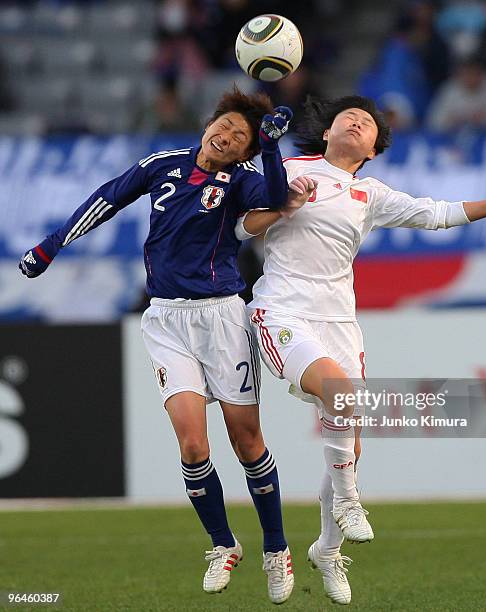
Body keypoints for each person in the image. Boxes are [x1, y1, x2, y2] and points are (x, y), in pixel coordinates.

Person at [235, 95, 486, 604]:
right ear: (328, 129)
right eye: (349, 116)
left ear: (374, 150)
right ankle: (350, 501)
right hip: (282, 311)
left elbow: (435, 213)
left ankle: (328, 552)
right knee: (338, 396)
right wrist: (283, 203)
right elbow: (241, 227)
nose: (357, 121)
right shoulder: (287, 168)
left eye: (369, 124)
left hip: (341, 325)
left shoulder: (369, 193)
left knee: (350, 448)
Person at [18, 87, 313, 605]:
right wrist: (51, 245)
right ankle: (223, 544)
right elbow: (107, 198)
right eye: (223, 125)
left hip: (223, 317)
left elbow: (274, 197)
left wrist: (269, 145)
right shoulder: (163, 164)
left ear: (245, 151)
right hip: (166, 320)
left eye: (238, 136)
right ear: (207, 126)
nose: (225, 135)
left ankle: (276, 547)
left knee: (247, 441)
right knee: (193, 445)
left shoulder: (243, 180)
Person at [427, 55, 486, 131]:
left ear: (482, 74)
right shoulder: (450, 89)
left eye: (474, 73)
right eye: (466, 74)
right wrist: (452, 121)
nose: (470, 78)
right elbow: (433, 122)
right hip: (455, 142)